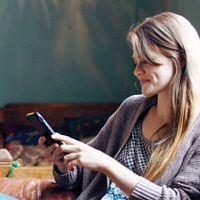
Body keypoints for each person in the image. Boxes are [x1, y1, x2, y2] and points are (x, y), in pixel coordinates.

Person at [38, 11, 200, 199]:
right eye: (135, 63)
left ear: (180, 59)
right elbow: (81, 178)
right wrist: (64, 164)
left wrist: (109, 165)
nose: (137, 72)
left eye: (146, 62)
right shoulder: (131, 109)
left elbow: (183, 197)